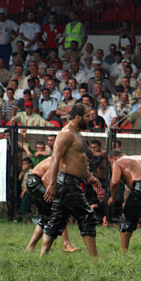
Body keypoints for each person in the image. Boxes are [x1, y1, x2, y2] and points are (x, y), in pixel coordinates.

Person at [39, 103, 103, 258]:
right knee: (87, 216)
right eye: (87, 116)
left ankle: (42, 256)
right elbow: (55, 158)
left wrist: (90, 177)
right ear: (78, 117)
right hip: (66, 182)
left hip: (70, 181)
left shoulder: (77, 133)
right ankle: (95, 259)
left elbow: (76, 162)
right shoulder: (66, 133)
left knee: (57, 220)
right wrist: (52, 184)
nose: (90, 119)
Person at [23, 155, 79, 253]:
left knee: (46, 217)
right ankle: (66, 244)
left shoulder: (65, 160)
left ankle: (30, 247)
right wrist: (53, 194)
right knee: (60, 210)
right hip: (36, 181)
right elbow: (45, 178)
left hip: (33, 181)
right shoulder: (61, 160)